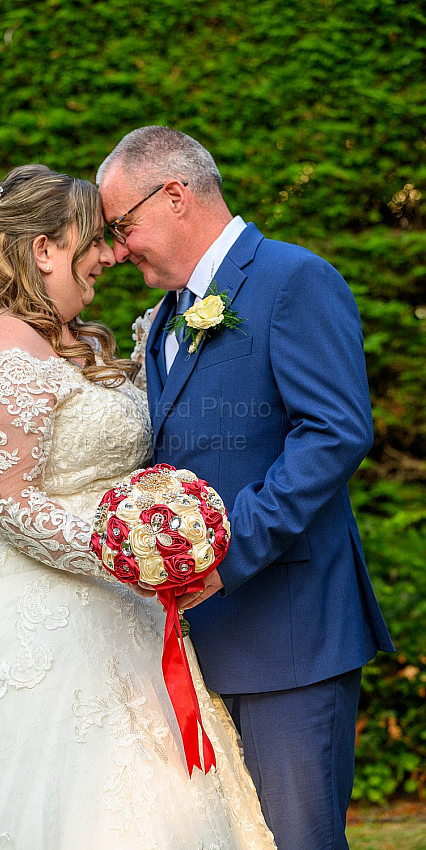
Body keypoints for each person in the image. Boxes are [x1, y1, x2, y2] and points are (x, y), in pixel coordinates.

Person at [0, 164, 277, 849]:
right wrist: (132, 550)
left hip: (120, 619)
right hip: (25, 628)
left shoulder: (75, 341)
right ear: (45, 249)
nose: (111, 255)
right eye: (94, 241)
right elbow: (11, 504)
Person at [97, 127, 395, 850]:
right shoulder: (166, 315)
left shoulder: (292, 280)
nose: (114, 249)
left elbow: (333, 432)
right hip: (198, 647)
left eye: (121, 226)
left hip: (286, 636)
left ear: (174, 195)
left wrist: (223, 554)